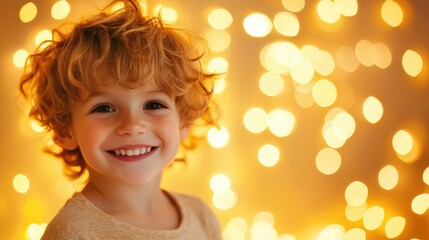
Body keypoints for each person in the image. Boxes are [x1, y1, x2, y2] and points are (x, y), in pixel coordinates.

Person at [19, 0, 222, 239]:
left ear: (184, 122)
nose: (132, 125)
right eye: (104, 108)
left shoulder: (201, 216)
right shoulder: (73, 232)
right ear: (65, 130)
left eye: (154, 105)